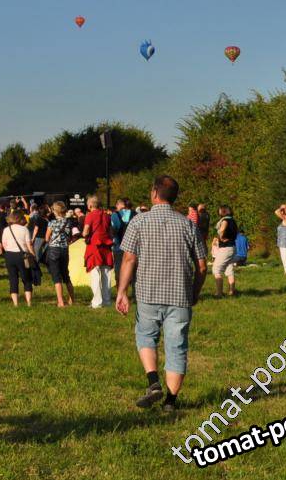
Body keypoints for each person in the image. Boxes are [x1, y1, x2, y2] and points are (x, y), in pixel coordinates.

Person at [115, 175, 207, 413]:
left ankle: (153, 381)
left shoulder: (138, 222)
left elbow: (129, 258)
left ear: (155, 193)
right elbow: (202, 266)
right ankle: (170, 401)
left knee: (146, 336)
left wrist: (122, 291)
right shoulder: (188, 225)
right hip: (180, 296)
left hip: (148, 293)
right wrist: (194, 292)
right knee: (177, 346)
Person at [83, 195, 115, 308]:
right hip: (106, 245)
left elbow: (86, 231)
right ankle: (107, 300)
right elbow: (111, 232)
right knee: (106, 273)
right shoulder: (107, 215)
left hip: (94, 246)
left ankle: (97, 302)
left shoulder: (90, 215)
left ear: (90, 205)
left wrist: (84, 235)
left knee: (95, 273)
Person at [0, 210, 36, 307]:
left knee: (13, 279)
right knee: (27, 279)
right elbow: (29, 244)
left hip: (9, 255)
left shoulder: (6, 230)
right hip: (23, 256)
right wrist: (33, 255)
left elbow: (4, 244)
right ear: (20, 218)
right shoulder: (24, 229)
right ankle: (29, 302)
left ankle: (15, 303)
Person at [44, 202, 75, 308]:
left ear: (55, 211)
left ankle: (61, 302)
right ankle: (72, 299)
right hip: (64, 250)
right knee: (66, 275)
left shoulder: (52, 223)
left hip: (54, 250)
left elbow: (46, 238)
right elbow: (70, 236)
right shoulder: (68, 222)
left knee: (57, 277)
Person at [211, 206, 239, 298]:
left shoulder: (225, 220)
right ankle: (232, 291)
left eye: (220, 210)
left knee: (216, 269)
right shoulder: (233, 220)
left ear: (223, 212)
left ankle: (219, 293)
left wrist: (221, 237)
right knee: (229, 269)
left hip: (225, 248)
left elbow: (222, 229)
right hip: (232, 247)